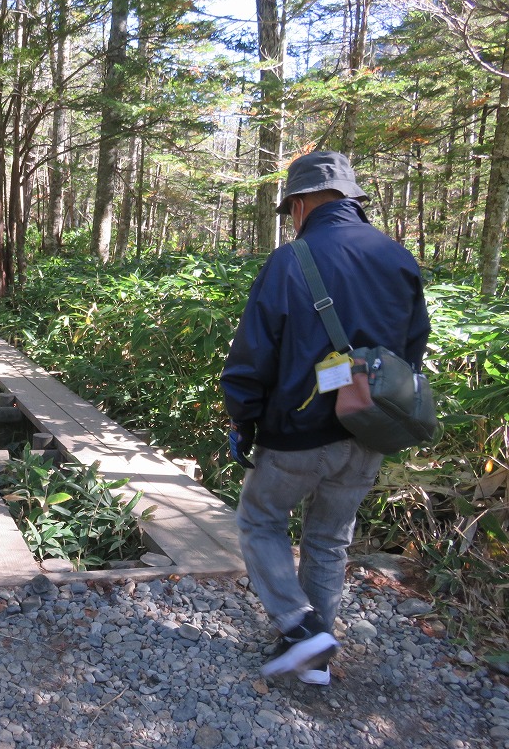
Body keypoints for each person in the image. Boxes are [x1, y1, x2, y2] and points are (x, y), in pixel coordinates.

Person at [220, 151, 430, 686]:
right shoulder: (399, 258)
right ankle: (317, 656)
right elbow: (412, 351)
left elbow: (255, 352)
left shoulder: (292, 260)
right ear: (351, 200)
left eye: (291, 206)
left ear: (303, 201)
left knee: (260, 521)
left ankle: (299, 625)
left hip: (298, 432)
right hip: (369, 429)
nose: (292, 216)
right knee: (329, 539)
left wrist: (242, 418)